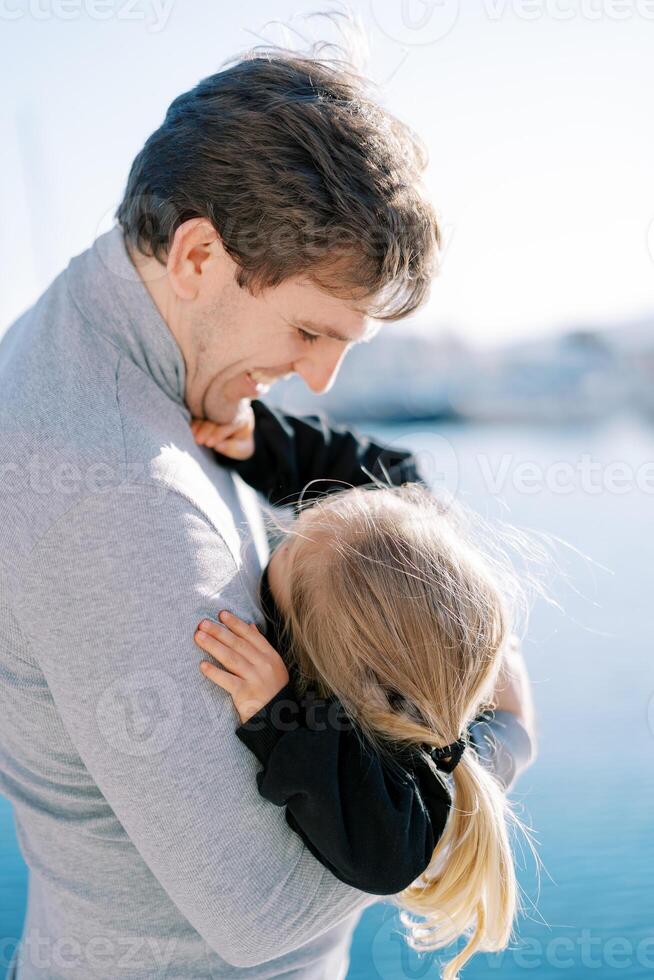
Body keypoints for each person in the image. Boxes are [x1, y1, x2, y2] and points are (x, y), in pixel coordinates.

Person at [0, 50, 534, 980]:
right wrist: (494, 731)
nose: (325, 378)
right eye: (310, 332)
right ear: (198, 254)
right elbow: (267, 914)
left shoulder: (113, 353)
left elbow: (391, 487)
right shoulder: (117, 495)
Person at [188, 399, 537, 979]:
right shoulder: (418, 568)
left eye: (286, 549)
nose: (289, 521)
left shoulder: (396, 775)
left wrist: (278, 718)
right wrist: (267, 440)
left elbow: (384, 860)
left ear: (317, 672)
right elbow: (384, 472)